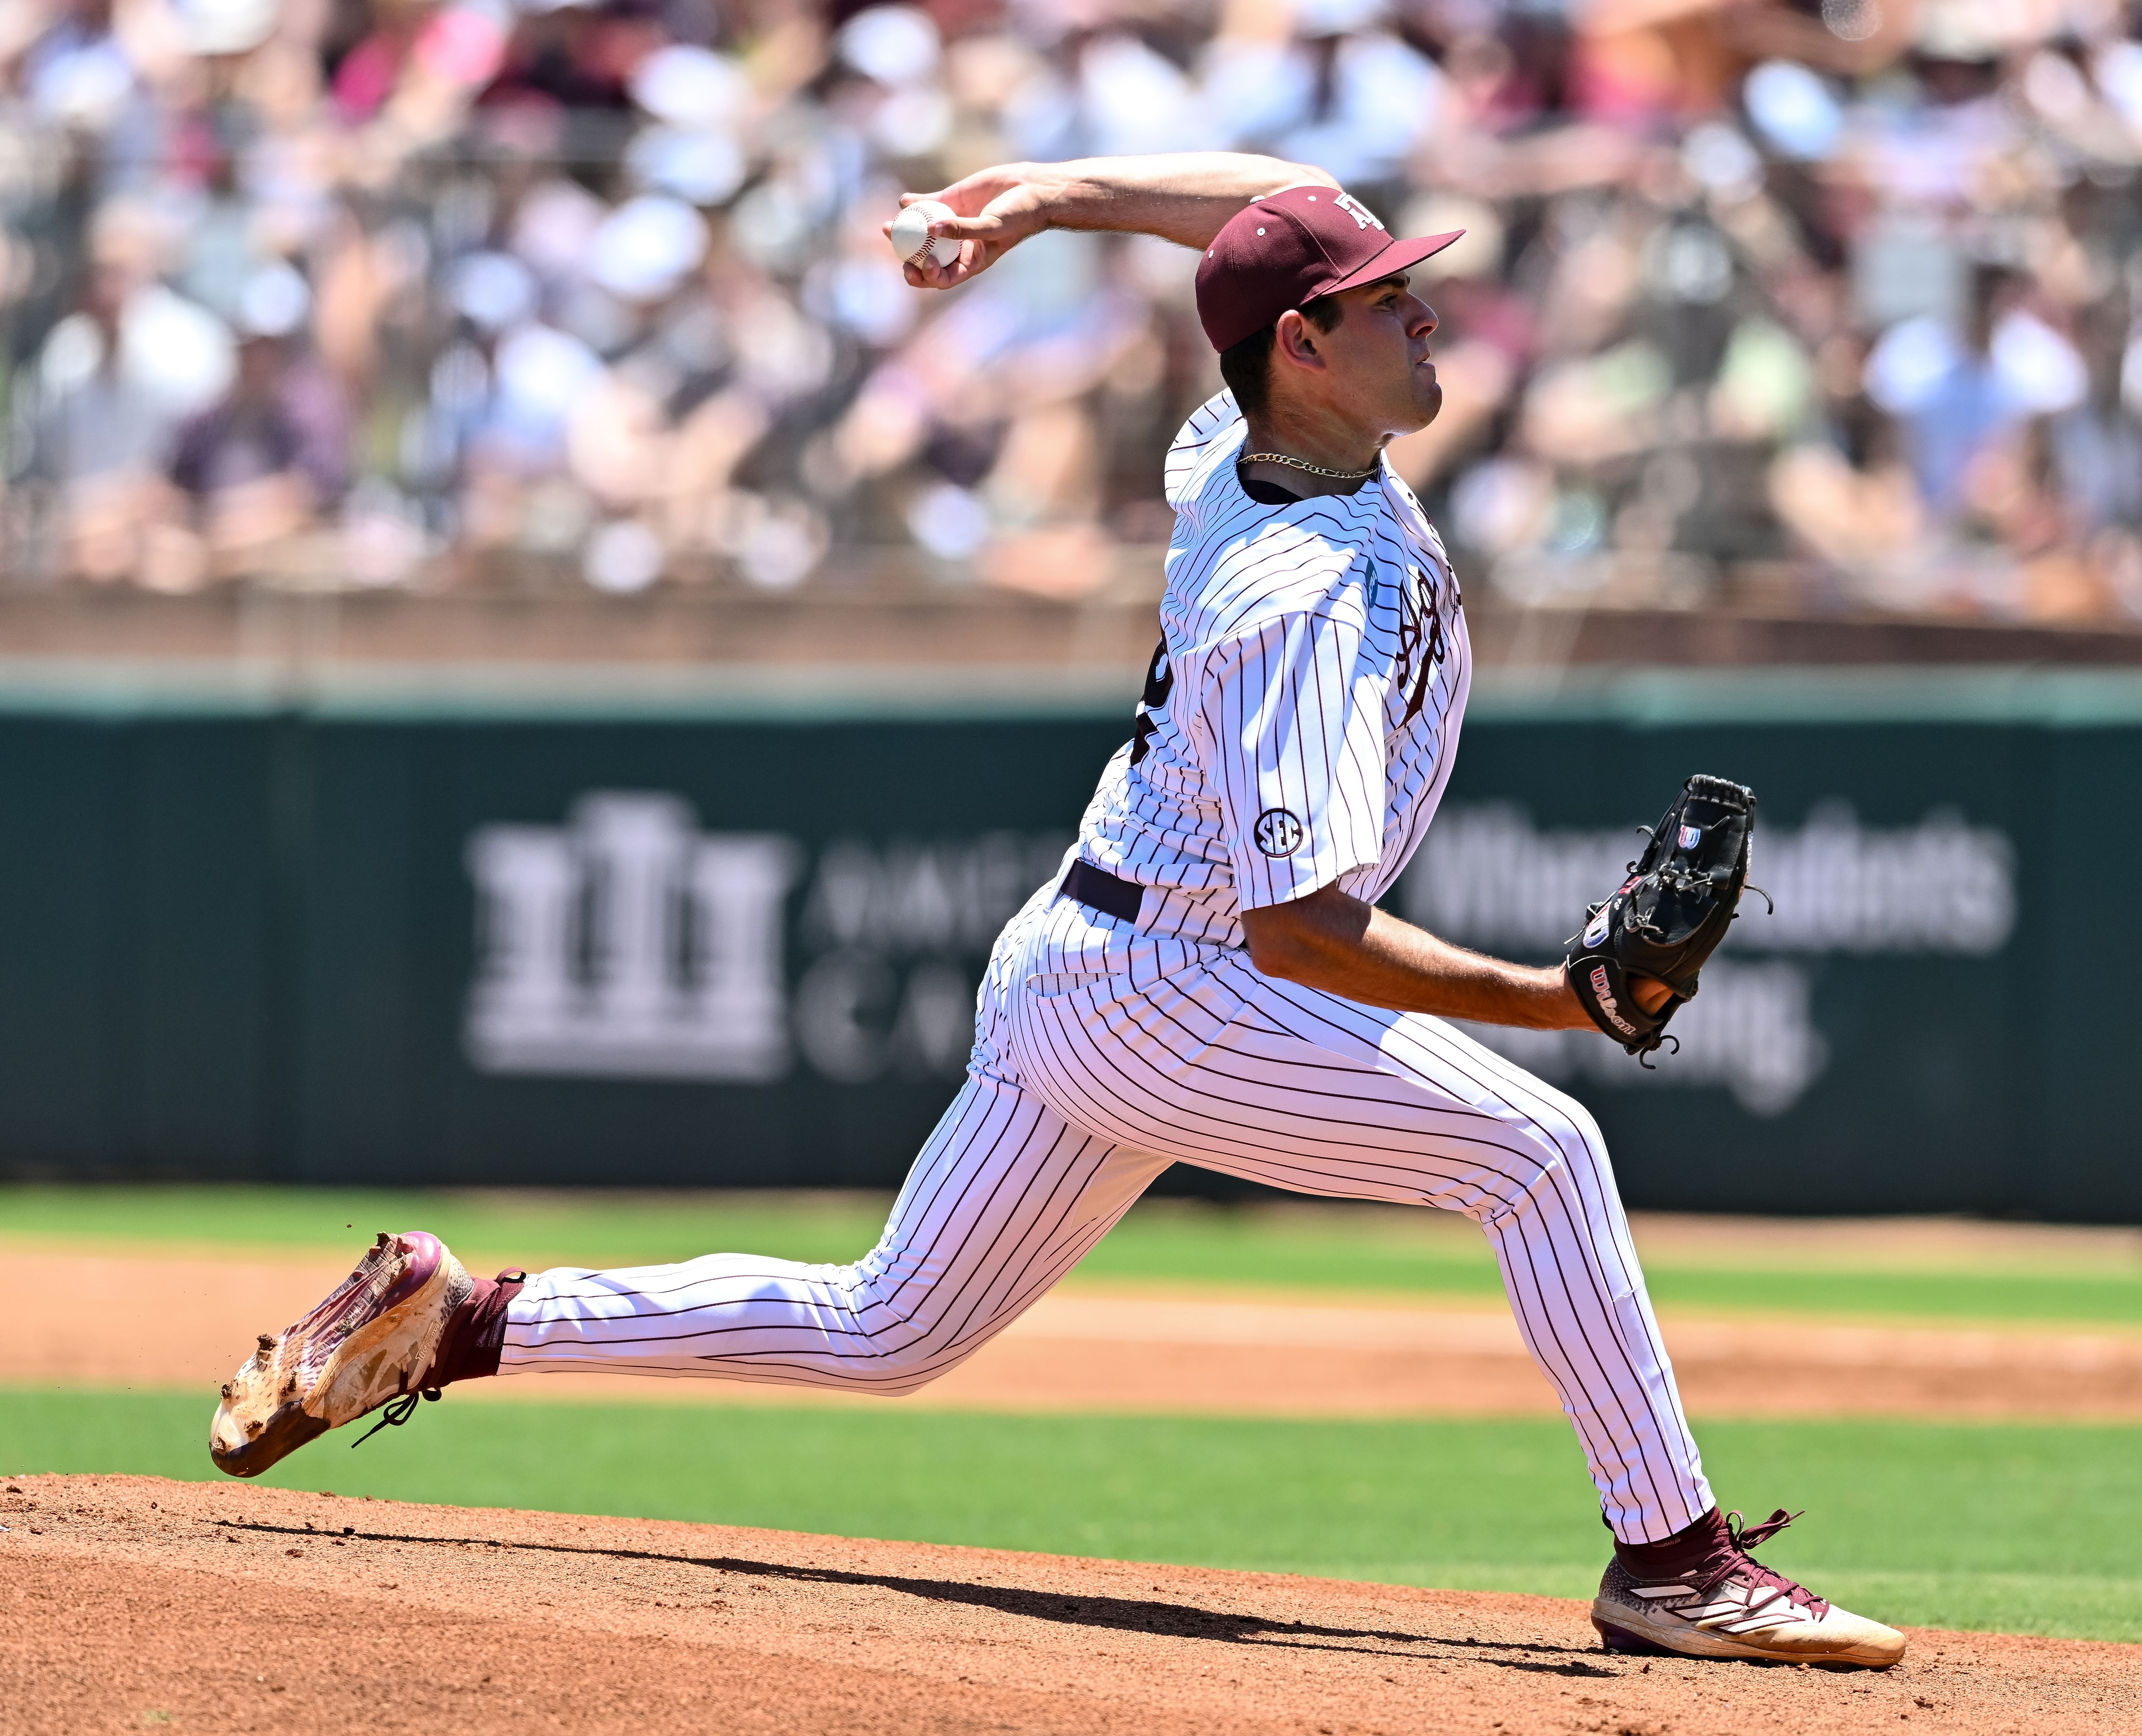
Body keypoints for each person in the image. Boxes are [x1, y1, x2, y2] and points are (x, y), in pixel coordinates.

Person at [208, 152, 1905, 1671]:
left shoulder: (1232, 440)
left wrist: (1032, 194)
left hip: (1081, 959)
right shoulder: (1297, 588)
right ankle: (1672, 1563)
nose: (1425, 313)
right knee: (1539, 1151)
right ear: (1304, 350)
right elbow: (1296, 935)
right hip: (1169, 982)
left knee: (886, 1325)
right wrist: (1564, 1000)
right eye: (1385, 303)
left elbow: (1265, 203)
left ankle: (468, 1318)